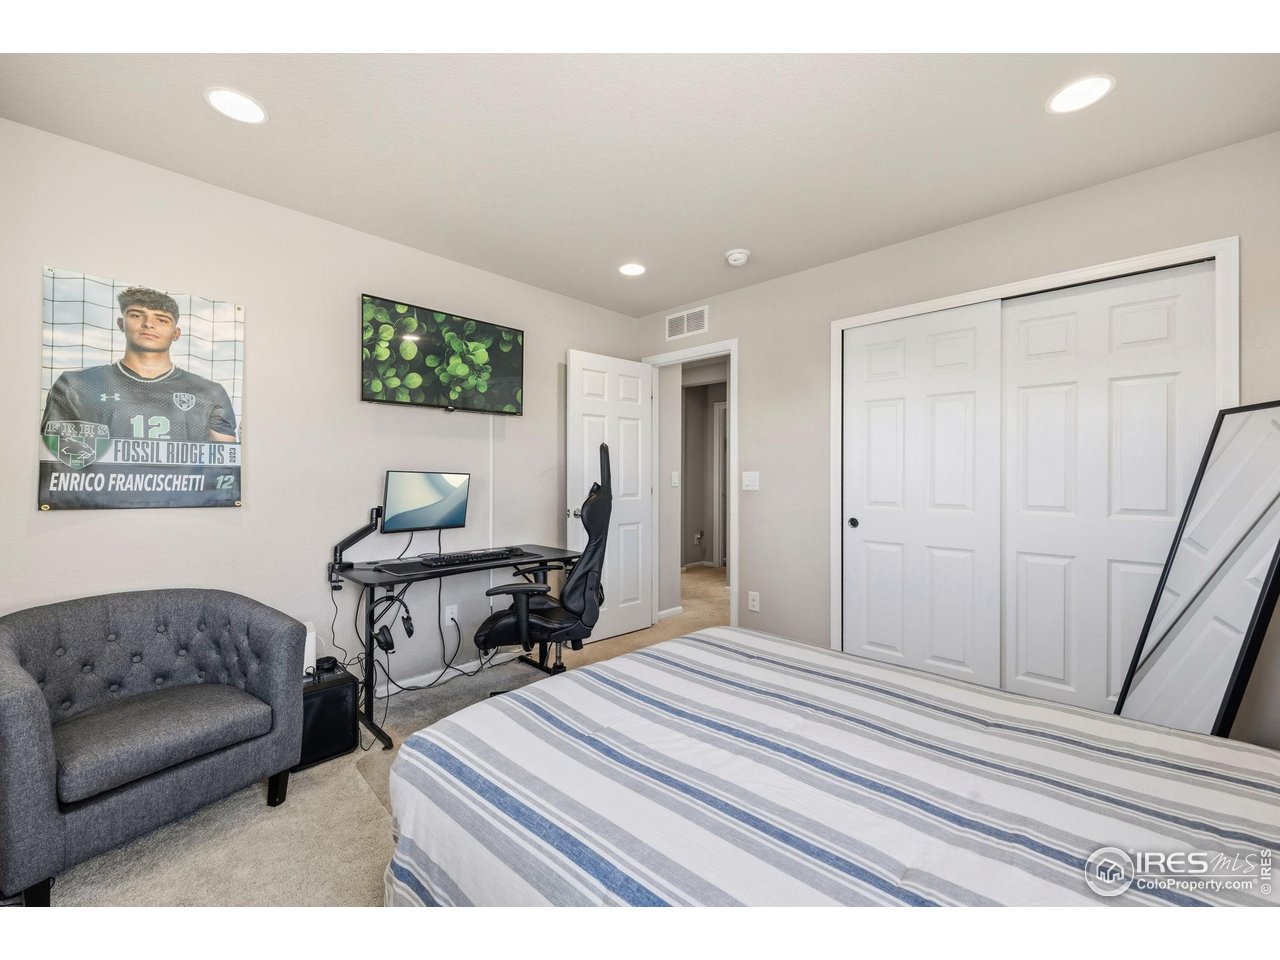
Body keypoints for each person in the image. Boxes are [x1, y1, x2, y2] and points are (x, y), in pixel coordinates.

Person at [40, 286, 238, 443]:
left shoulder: (209, 392)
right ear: (121, 323)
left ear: (176, 333)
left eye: (161, 319)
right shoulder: (75, 385)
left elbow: (222, 469)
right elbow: (56, 460)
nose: (148, 324)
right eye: (136, 315)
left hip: (179, 494)